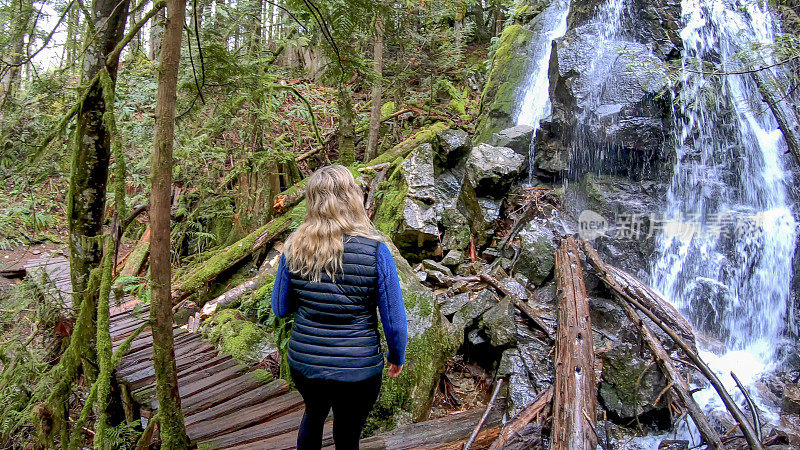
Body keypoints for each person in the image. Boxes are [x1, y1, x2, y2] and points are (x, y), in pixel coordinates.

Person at [270, 165, 408, 450]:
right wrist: (397, 356)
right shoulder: (376, 251)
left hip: (306, 363)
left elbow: (281, 308)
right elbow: (394, 319)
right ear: (352, 198)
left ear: (312, 201)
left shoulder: (294, 247)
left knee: (313, 415)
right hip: (358, 368)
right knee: (348, 433)